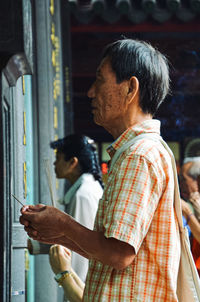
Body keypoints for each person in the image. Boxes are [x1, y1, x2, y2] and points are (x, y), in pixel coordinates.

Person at [20, 38, 181, 301]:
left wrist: (61, 223)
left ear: (131, 88)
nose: (91, 92)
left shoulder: (138, 156)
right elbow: (110, 250)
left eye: (100, 80)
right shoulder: (145, 151)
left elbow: (119, 255)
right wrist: (59, 233)